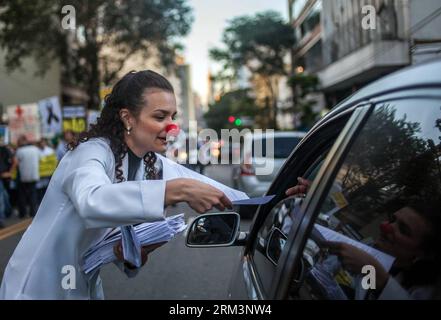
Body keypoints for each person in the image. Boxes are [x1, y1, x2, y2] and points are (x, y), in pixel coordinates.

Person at [0, 70, 232, 299]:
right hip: (36, 288)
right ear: (128, 118)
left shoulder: (142, 164)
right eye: (160, 117)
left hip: (82, 285)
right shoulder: (91, 151)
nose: (172, 127)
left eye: (173, 116)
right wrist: (176, 189)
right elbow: (91, 201)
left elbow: (108, 237)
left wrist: (129, 253)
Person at [285, 178, 441, 299]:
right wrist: (314, 201)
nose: (386, 226)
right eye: (392, 219)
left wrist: (376, 274)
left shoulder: (425, 292)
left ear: (423, 253)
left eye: (403, 229)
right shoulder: (373, 251)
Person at [15, 135, 40, 218]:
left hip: (24, 176)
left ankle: (23, 213)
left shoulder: (20, 150)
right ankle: (33, 212)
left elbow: (16, 163)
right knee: (33, 194)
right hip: (34, 175)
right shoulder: (35, 149)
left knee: (22, 195)